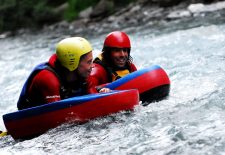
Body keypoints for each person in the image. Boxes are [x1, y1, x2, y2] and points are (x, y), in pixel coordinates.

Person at [17, 37, 94, 110]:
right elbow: (58, 115)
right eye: (89, 62)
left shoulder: (82, 73)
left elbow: (93, 97)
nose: (93, 66)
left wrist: (102, 93)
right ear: (73, 64)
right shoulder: (48, 79)